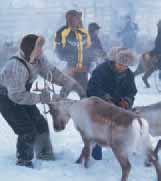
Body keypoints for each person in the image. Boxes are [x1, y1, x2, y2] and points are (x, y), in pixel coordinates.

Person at [0, 34, 85, 168]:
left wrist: (69, 83)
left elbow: (53, 73)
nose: (41, 50)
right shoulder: (15, 66)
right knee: (26, 129)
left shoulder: (38, 59)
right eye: (38, 47)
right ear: (29, 49)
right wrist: (40, 98)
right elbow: (16, 96)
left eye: (41, 47)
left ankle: (45, 154)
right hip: (7, 97)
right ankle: (24, 161)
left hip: (23, 93)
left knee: (40, 123)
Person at [87, 47, 137, 160]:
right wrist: (106, 99)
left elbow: (131, 92)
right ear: (115, 61)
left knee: (125, 125)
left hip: (119, 106)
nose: (122, 68)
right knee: (98, 129)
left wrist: (127, 101)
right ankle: (95, 154)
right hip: (99, 104)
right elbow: (92, 88)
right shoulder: (101, 70)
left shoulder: (129, 75)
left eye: (126, 66)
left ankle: (121, 148)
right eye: (120, 64)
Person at [54, 10, 91, 90]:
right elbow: (58, 51)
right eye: (71, 19)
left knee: (84, 93)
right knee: (65, 92)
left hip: (82, 69)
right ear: (68, 19)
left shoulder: (84, 32)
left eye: (76, 19)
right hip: (70, 68)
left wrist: (87, 65)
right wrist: (71, 62)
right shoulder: (61, 32)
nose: (74, 21)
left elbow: (88, 50)